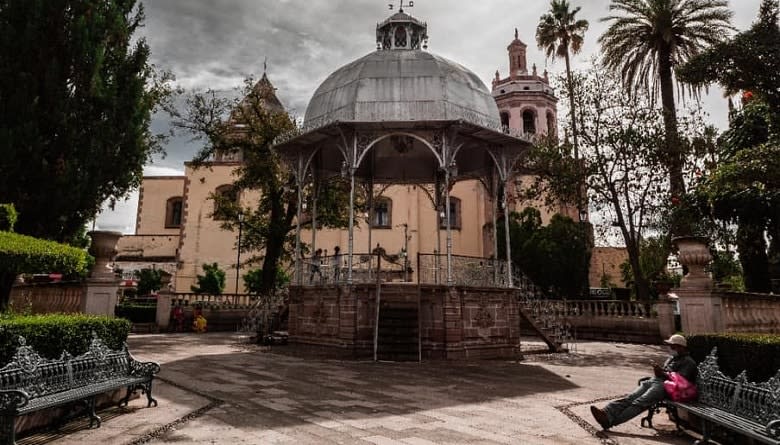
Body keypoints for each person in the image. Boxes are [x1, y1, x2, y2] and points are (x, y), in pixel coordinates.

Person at [590, 334, 697, 430]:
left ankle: (610, 422)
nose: (670, 348)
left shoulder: (688, 362)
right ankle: (605, 412)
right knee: (630, 398)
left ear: (680, 347)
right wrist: (658, 371)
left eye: (672, 346)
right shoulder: (672, 358)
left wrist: (663, 373)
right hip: (656, 381)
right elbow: (664, 372)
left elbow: (680, 381)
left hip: (666, 388)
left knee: (639, 402)